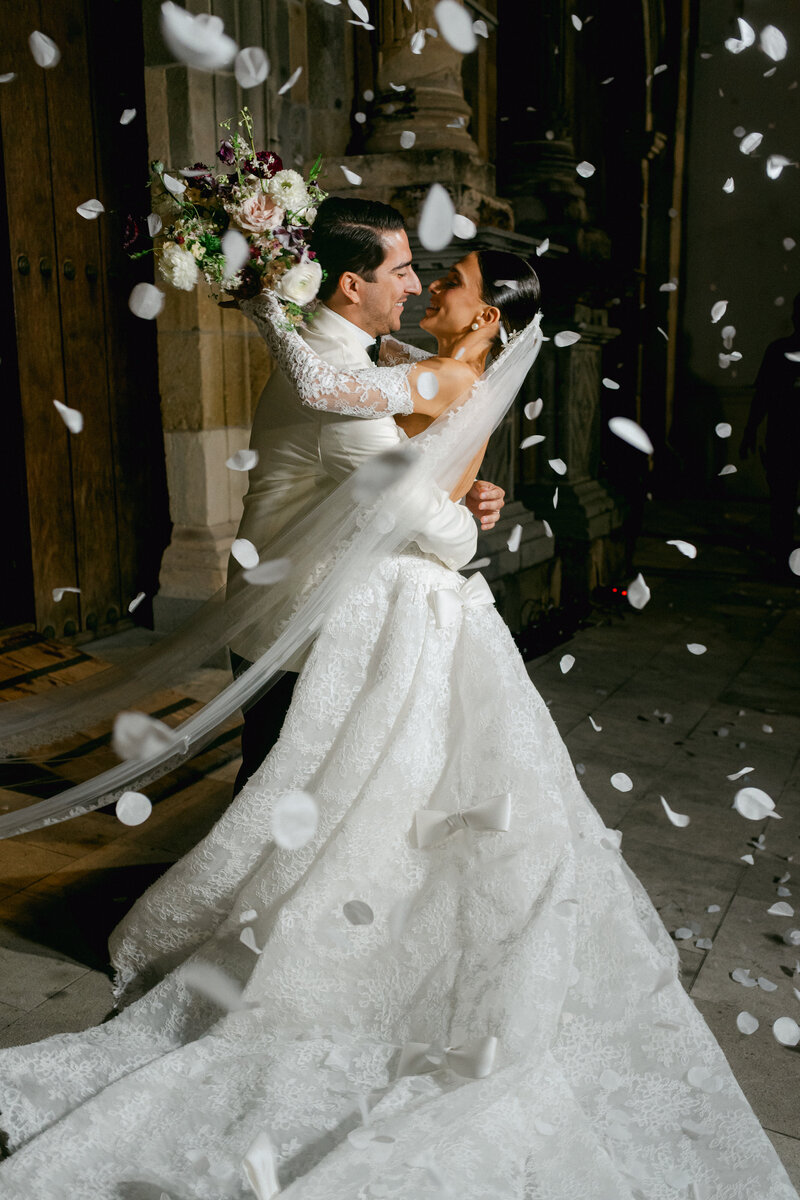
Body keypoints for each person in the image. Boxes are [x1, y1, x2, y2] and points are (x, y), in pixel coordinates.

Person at [1, 249, 798, 1200]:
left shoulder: (447, 375)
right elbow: (405, 442)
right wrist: (467, 502)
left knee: (370, 775)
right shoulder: (436, 366)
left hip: (409, 587)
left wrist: (265, 305)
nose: (432, 287)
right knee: (384, 777)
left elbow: (344, 404)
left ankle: (326, 931)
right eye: (420, 272)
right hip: (393, 590)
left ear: (487, 318)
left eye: (453, 280)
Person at [227, 197, 507, 798]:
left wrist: (462, 487)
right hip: (293, 621)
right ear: (353, 285)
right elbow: (404, 501)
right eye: (402, 271)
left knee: (311, 796)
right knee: (274, 799)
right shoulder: (335, 369)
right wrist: (464, 532)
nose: (418, 285)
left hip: (313, 612)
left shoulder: (359, 355)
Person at [739, 291, 800, 568]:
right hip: (783, 436)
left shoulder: (778, 351)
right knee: (782, 498)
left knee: (782, 499)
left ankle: (783, 550)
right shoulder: (777, 351)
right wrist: (750, 431)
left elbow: (762, 396)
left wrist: (750, 431)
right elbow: (763, 395)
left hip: (782, 435)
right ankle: (783, 550)